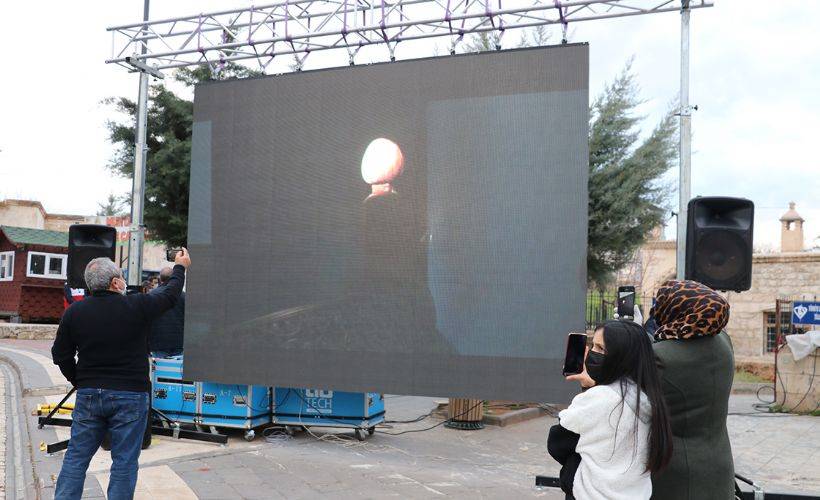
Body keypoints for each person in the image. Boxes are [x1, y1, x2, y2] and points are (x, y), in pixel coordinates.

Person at [51, 249, 191, 500]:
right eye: (122, 277)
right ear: (115, 282)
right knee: (124, 461)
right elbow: (170, 295)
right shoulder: (137, 305)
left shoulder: (74, 312)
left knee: (76, 457)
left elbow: (60, 355)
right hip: (130, 395)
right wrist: (180, 267)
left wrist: (80, 380)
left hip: (90, 394)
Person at [547, 320, 673, 500]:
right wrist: (591, 386)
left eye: (600, 348)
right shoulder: (647, 398)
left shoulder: (601, 398)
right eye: (593, 346)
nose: (592, 353)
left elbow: (557, 443)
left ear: (621, 356)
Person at [648, 280, 734, 500]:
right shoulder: (724, 342)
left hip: (678, 473)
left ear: (672, 309)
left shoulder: (661, 356)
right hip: (719, 465)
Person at [148, 266, 185, 358]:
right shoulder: (183, 296)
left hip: (158, 342)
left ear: (160, 279)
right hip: (178, 342)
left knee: (160, 367)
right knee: (177, 367)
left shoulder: (151, 295)